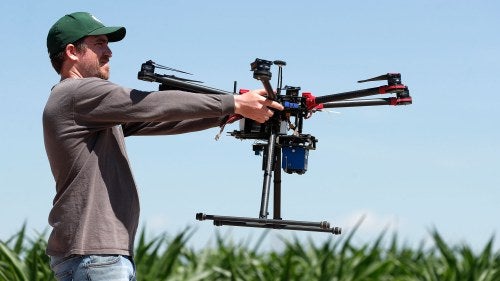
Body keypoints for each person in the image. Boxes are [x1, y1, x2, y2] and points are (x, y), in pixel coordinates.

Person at [43, 12, 283, 281]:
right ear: (72, 52)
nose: (109, 52)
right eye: (99, 43)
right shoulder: (78, 92)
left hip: (95, 255)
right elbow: (150, 104)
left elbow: (158, 120)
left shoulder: (84, 105)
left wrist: (229, 114)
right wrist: (233, 103)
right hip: (95, 256)